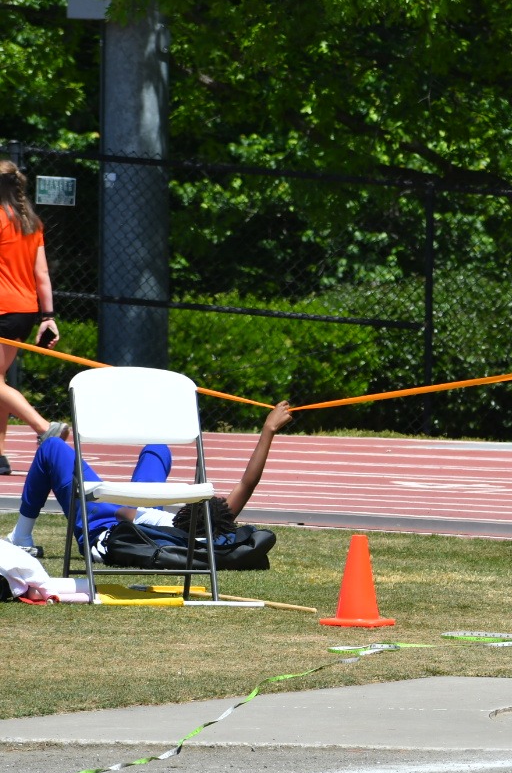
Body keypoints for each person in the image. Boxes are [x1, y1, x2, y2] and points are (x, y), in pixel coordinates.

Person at [4, 401, 293, 566]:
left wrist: (127, 499)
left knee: (52, 448)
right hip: (137, 512)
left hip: (106, 524)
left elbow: (123, 514)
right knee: (158, 448)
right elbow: (248, 482)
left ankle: (22, 537)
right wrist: (269, 430)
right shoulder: (212, 537)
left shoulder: (167, 525)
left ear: (186, 515)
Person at [0, 161, 66, 476]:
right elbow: (41, 274)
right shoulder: (30, 223)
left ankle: (43, 427)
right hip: (24, 310)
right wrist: (48, 316)